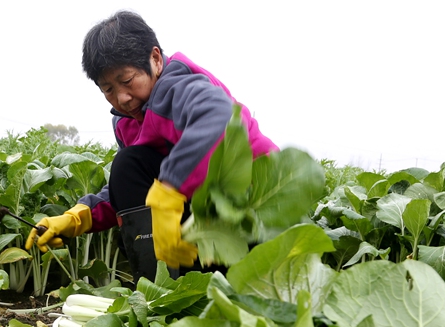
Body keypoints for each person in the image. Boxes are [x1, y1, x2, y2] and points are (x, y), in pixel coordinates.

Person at [25, 11, 277, 280]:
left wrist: (170, 191)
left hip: (256, 207)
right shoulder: (129, 122)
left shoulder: (179, 85)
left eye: (126, 80)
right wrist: (79, 217)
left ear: (155, 60)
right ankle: (160, 292)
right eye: (108, 89)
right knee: (128, 165)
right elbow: (130, 185)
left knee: (131, 165)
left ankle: (201, 282)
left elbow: (220, 115)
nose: (121, 97)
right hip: (210, 215)